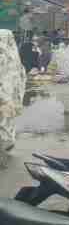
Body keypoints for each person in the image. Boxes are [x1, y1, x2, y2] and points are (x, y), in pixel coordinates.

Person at [0, 30, 26, 167]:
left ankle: (2, 155)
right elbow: (22, 77)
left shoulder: (4, 57)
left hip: (4, 97)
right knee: (6, 124)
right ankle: (5, 151)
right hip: (9, 99)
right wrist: (17, 98)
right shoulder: (15, 57)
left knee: (4, 124)